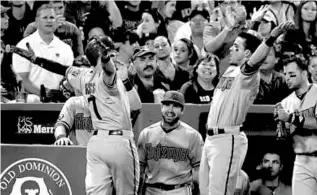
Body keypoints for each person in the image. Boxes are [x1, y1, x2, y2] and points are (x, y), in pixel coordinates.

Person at [199, 21, 295, 195]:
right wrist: (251, 23)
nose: (231, 49)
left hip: (227, 138)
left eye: (236, 47)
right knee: (205, 191)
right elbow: (215, 48)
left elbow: (255, 60)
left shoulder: (248, 76)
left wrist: (271, 37)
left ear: (248, 53)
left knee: (219, 193)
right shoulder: (230, 70)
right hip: (211, 138)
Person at [84, 33, 142, 195]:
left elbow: (65, 73)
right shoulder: (111, 77)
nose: (115, 55)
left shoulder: (85, 77)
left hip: (96, 141)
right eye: (112, 52)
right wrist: (125, 80)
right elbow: (137, 106)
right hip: (118, 140)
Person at [137, 90, 204, 195]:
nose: (170, 110)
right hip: (151, 190)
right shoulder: (147, 134)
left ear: (182, 110)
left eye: (176, 106)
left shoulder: (193, 136)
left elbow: (198, 171)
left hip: (180, 190)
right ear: (161, 107)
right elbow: (140, 170)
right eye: (167, 105)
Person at [12, 4, 74, 103]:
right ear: (37, 21)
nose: (49, 20)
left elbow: (67, 80)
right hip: (31, 100)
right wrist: (43, 95)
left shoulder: (66, 49)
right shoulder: (23, 46)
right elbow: (22, 80)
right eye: (45, 17)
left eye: (52, 17)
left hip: (58, 101)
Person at [275, 54, 317, 195]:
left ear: (305, 73)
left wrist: (290, 118)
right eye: (285, 74)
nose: (287, 78)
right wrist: (282, 126)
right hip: (301, 161)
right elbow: (283, 137)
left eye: (292, 74)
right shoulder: (285, 103)